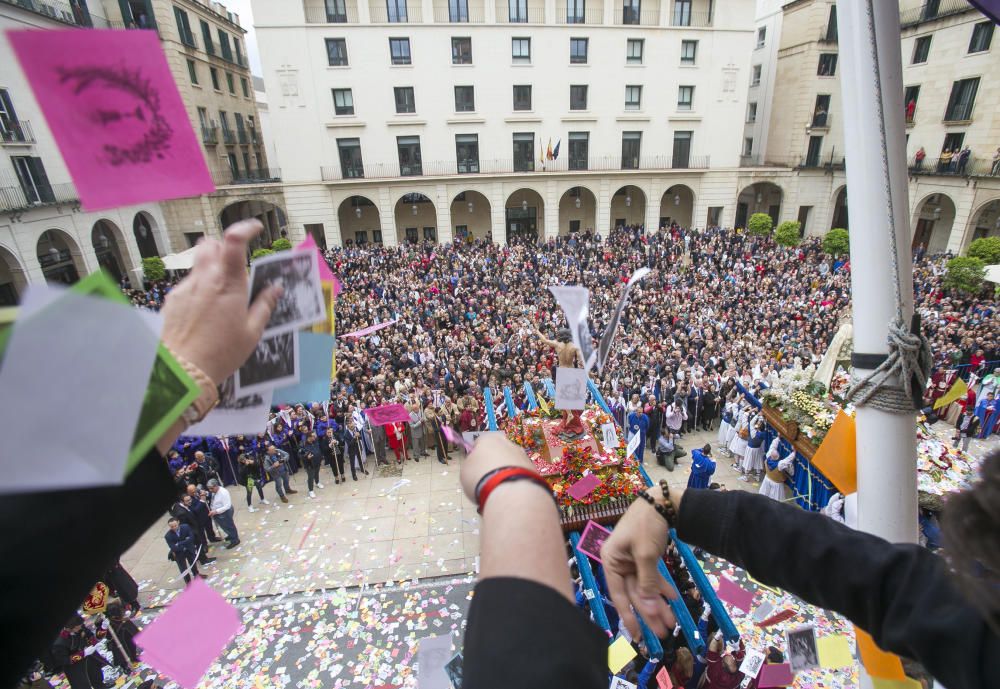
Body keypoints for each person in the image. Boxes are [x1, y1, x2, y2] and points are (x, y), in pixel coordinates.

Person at [51, 615, 105, 689]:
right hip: (75, 670)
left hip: (90, 661)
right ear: (70, 628)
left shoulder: (81, 628)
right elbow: (65, 660)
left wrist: (103, 629)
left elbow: (93, 639)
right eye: (77, 627)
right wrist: (83, 653)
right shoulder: (59, 643)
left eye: (80, 626)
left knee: (98, 681)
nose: (80, 628)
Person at [165, 517, 202, 583]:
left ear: (178, 522)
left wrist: (179, 543)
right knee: (183, 568)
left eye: (175, 525)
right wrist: (185, 542)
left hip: (189, 549)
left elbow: (191, 538)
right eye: (171, 526)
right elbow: (173, 547)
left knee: (193, 563)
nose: (174, 528)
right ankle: (188, 582)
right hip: (179, 553)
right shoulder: (168, 536)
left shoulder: (186, 527)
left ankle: (196, 576)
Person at [206, 479, 240, 548]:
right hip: (218, 513)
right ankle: (231, 536)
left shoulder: (223, 493)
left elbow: (227, 506)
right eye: (209, 489)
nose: (210, 490)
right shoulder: (214, 491)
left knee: (229, 526)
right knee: (224, 527)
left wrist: (216, 511)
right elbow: (211, 496)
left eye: (212, 488)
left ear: (216, 486)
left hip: (224, 513)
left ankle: (235, 540)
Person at [299, 431, 324, 498]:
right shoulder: (303, 444)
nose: (315, 437)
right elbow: (300, 455)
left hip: (317, 461)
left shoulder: (315, 441)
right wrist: (306, 457)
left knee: (317, 473)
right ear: (309, 437)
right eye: (313, 436)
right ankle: (311, 490)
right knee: (311, 477)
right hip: (309, 464)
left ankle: (317, 482)